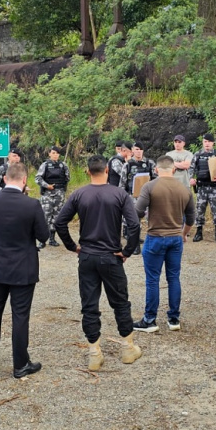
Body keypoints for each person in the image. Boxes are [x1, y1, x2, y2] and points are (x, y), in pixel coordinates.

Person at [55, 155, 142, 372]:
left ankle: (94, 353)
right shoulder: (119, 194)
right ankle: (127, 348)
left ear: (88, 171)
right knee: (120, 302)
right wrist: (127, 251)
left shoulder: (79, 194)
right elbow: (134, 225)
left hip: (87, 257)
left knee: (89, 305)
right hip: (111, 256)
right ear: (107, 170)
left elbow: (59, 222)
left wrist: (72, 246)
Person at [0, 162, 48, 378]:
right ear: (25, 180)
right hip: (23, 267)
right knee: (20, 316)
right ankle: (20, 364)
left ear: (5, 178)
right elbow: (44, 235)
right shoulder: (32, 204)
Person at [132, 156, 195, 333]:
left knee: (153, 279)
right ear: (174, 169)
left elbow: (137, 212)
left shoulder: (149, 186)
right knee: (173, 277)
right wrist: (184, 233)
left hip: (156, 237)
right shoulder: (184, 189)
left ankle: (149, 320)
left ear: (156, 170)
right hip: (175, 238)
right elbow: (191, 218)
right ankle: (174, 319)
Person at [189, 133, 216, 243]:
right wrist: (191, 179)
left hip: (214, 188)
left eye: (209, 142)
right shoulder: (198, 154)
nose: (207, 144)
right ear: (203, 143)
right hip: (201, 188)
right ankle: (199, 232)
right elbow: (191, 168)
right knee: (199, 210)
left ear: (213, 143)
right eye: (205, 142)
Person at [36, 146, 70, 248]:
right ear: (49, 154)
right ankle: (42, 240)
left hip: (59, 194)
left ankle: (52, 239)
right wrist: (47, 186)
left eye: (57, 153)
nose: (55, 155)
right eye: (53, 153)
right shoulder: (45, 165)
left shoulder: (63, 165)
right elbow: (38, 178)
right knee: (45, 217)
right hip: (47, 194)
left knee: (56, 217)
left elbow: (67, 178)